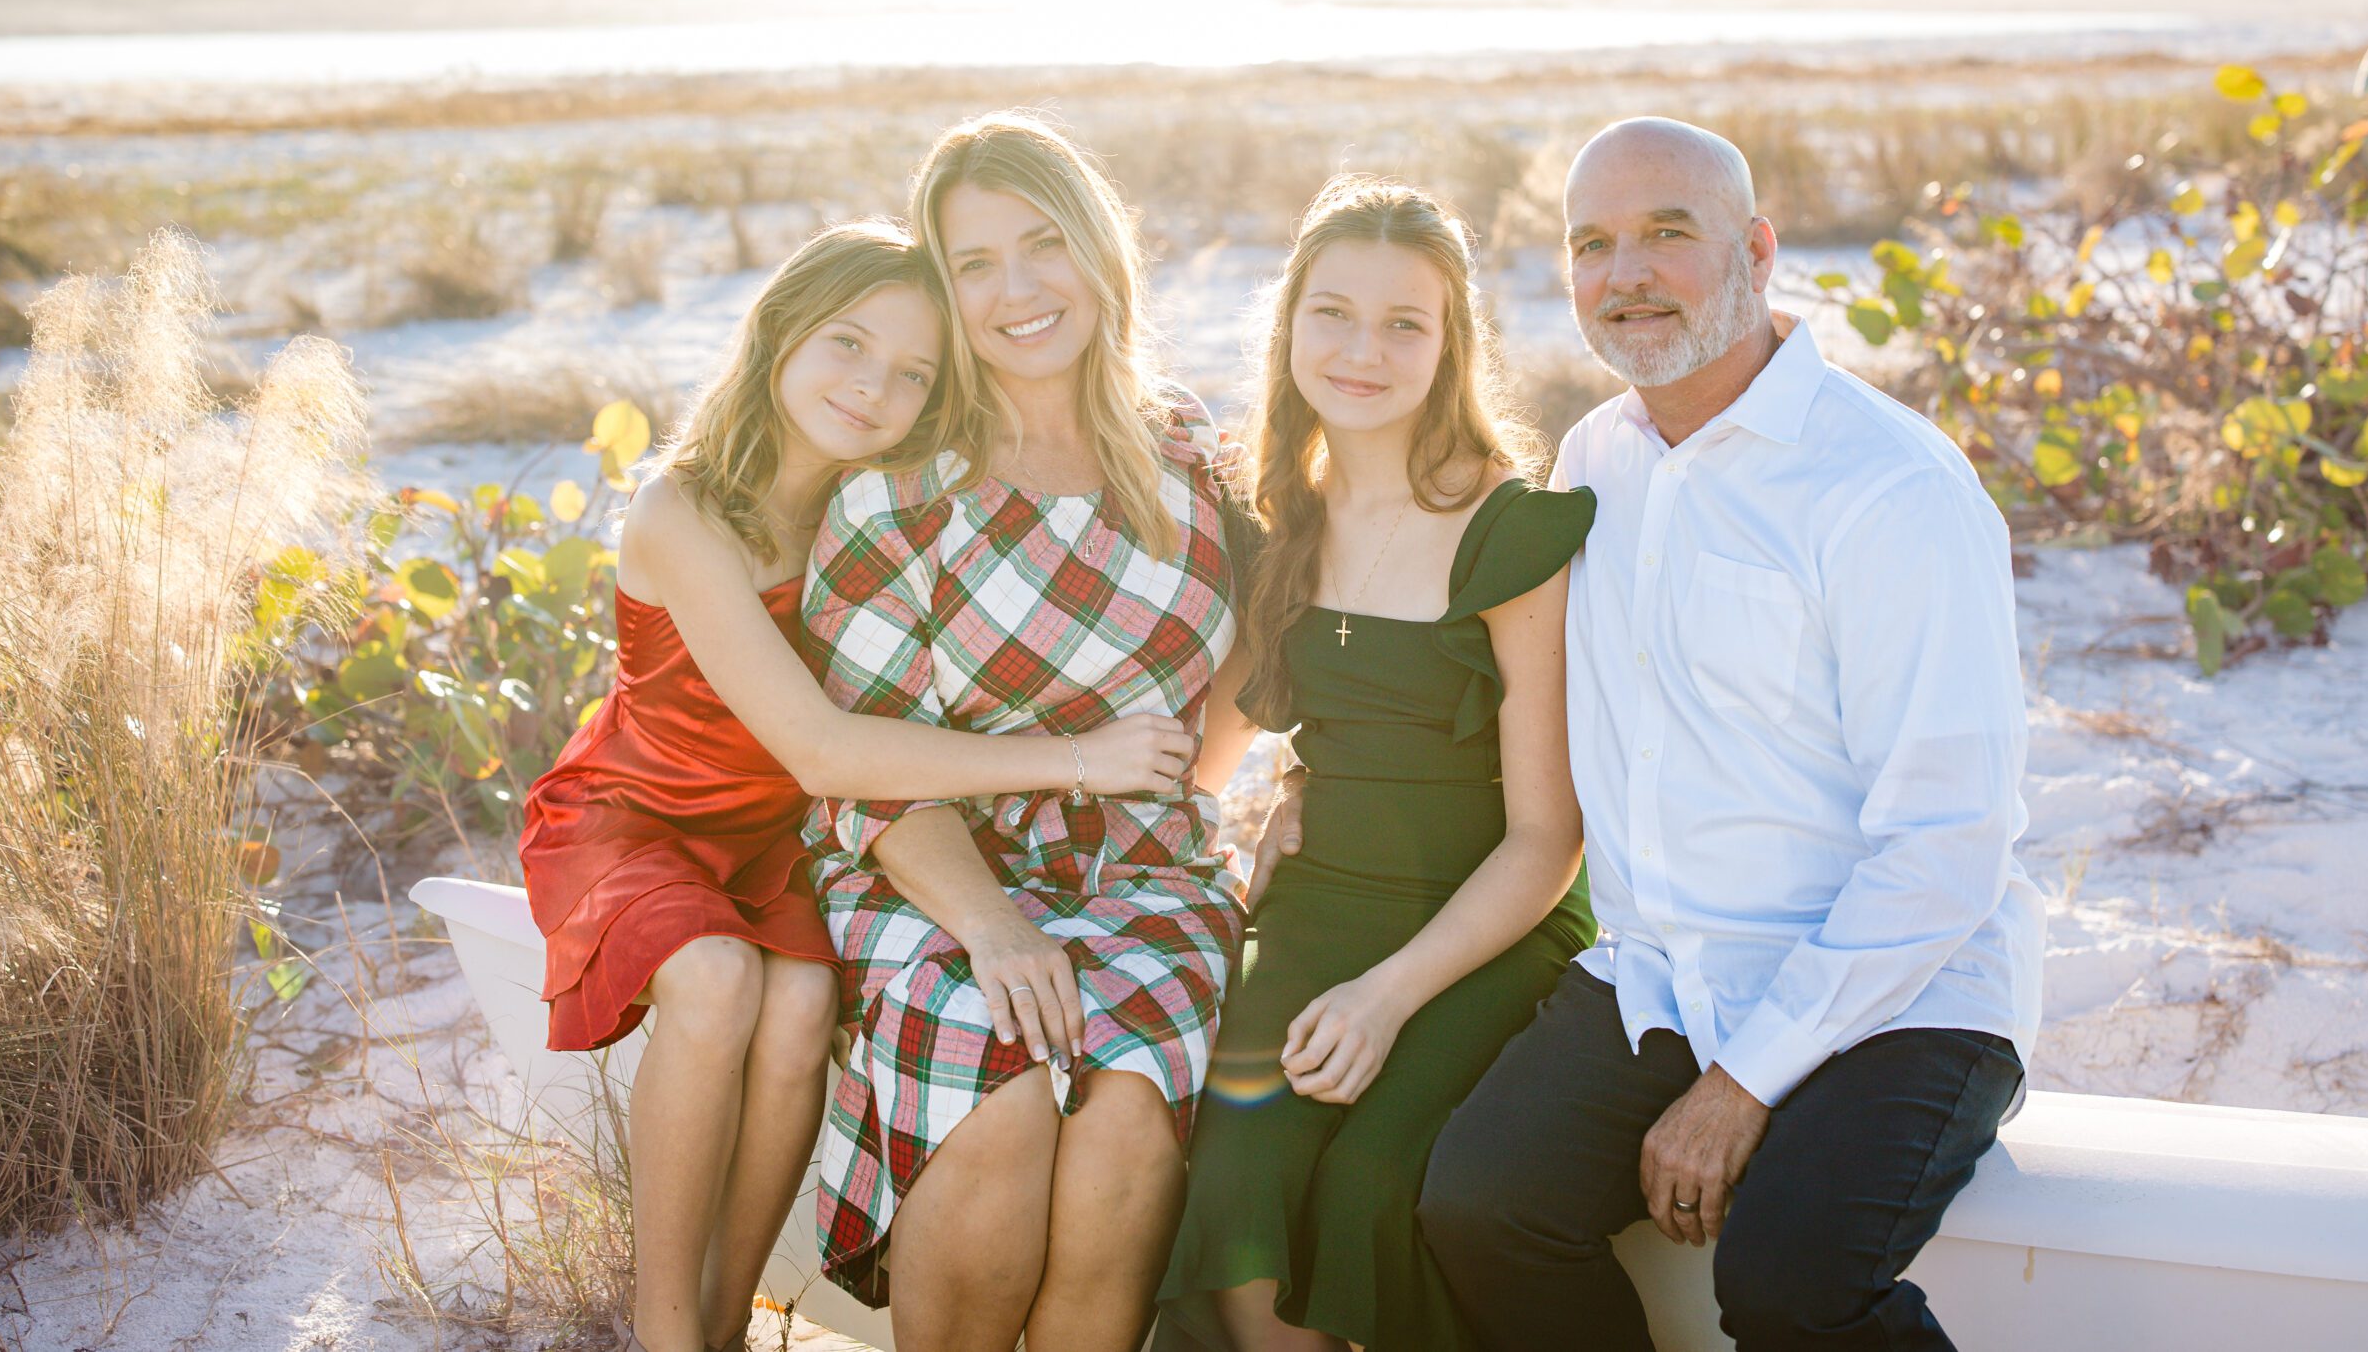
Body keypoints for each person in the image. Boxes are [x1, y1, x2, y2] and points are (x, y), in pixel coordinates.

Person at [1415, 118, 2042, 1351]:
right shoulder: (1598, 461)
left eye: (1667, 234)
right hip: (1667, 973)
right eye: (1591, 244)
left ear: (1756, 250)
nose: (1625, 274)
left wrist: (1743, 1082)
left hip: (1900, 990)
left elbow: (1945, 847)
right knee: (1478, 1209)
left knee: (1788, 1283)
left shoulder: (1888, 488)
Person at [519, 223, 1194, 1352]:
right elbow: (827, 752)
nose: (871, 386)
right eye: (847, 343)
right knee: (726, 979)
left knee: (796, 1012)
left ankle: (731, 1317)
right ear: (778, 331)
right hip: (642, 820)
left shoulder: (873, 509)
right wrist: (1079, 760)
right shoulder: (683, 511)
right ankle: (664, 1330)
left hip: (773, 838)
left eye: (913, 374)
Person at [796, 115, 1246, 1352]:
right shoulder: (896, 493)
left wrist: (1245, 789)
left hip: (1149, 870)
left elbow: (1259, 659)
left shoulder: (1188, 453)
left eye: (1043, 243)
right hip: (933, 867)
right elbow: (868, 770)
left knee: (1124, 1115)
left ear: (1100, 250)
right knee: (986, 1078)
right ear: (943, 293)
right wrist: (993, 926)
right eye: (974, 264)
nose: (1018, 290)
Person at [1154, 177, 1593, 1352]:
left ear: (1452, 347)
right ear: (1286, 325)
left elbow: (1550, 838)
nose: (1363, 350)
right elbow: (1202, 760)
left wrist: (1389, 993)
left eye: (1406, 323)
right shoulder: (1275, 523)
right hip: (1315, 909)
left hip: (1480, 924)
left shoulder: (1513, 530)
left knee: (1370, 1186)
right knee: (1234, 1173)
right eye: (1332, 314)